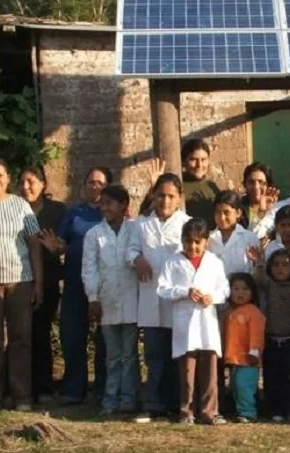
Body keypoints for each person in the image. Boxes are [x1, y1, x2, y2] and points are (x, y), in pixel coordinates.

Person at [0, 158, 42, 412]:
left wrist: (38, 282)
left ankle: (21, 396)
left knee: (20, 339)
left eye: (0, 175)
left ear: (8, 179)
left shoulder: (20, 205)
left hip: (19, 281)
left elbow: (34, 244)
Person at [127, 173, 191, 420]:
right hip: (151, 298)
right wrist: (137, 259)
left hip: (177, 301)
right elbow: (130, 250)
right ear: (153, 196)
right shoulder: (141, 224)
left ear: (179, 199)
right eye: (161, 195)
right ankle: (154, 403)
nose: (165, 201)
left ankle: (177, 403)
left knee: (177, 355)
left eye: (171, 196)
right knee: (154, 356)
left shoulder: (187, 223)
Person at [157, 218, 230, 426]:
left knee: (210, 369)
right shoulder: (173, 262)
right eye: (189, 242)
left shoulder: (214, 262)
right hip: (185, 324)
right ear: (182, 241)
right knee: (187, 371)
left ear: (206, 242)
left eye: (198, 242)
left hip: (207, 322)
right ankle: (186, 411)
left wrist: (212, 297)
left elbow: (224, 289)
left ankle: (209, 412)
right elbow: (162, 288)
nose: (193, 247)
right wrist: (184, 292)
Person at [81, 184, 140, 416]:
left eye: (109, 203)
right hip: (107, 301)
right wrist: (93, 298)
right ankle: (110, 398)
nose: (104, 208)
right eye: (102, 204)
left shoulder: (134, 229)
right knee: (113, 356)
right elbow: (89, 269)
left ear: (123, 205)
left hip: (132, 300)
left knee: (131, 354)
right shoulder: (94, 234)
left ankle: (129, 398)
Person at [56, 166, 112, 405]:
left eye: (100, 183)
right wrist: (55, 246)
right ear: (84, 186)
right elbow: (61, 242)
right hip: (75, 283)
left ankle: (103, 387)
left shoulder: (112, 214)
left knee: (106, 337)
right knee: (72, 335)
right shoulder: (74, 214)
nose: (95, 187)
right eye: (91, 182)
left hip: (106, 284)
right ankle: (74, 388)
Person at [18, 165, 66, 402]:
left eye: (32, 181)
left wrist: (56, 247)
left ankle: (44, 386)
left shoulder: (57, 211)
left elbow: (64, 242)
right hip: (18, 278)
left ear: (43, 184)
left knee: (41, 332)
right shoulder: (14, 207)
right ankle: (20, 387)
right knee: (20, 334)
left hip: (48, 279)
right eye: (23, 182)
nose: (27, 187)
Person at [255, 249, 290, 423]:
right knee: (272, 377)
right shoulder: (269, 285)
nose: (280, 269)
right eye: (276, 265)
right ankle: (275, 410)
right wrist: (259, 262)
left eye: (285, 265)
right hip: (271, 340)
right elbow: (258, 279)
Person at [222, 272, 265, 423]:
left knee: (244, 385)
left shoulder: (253, 311)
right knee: (235, 385)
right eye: (236, 288)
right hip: (233, 358)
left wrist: (254, 351)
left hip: (248, 359)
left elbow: (257, 333)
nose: (240, 293)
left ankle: (248, 412)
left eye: (245, 289)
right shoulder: (228, 312)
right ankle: (240, 410)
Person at [209, 191, 260, 278]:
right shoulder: (208, 239)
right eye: (218, 212)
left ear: (238, 213)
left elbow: (256, 268)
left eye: (226, 212)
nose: (222, 217)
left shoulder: (250, 238)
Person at [180, 138, 221, 226]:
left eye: (203, 160)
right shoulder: (177, 186)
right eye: (193, 159)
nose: (199, 165)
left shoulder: (212, 187)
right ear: (183, 161)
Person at [240, 162, 278, 234]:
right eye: (251, 182)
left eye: (261, 182)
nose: (256, 187)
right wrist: (261, 213)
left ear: (268, 185)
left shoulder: (278, 209)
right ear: (244, 185)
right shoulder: (237, 209)